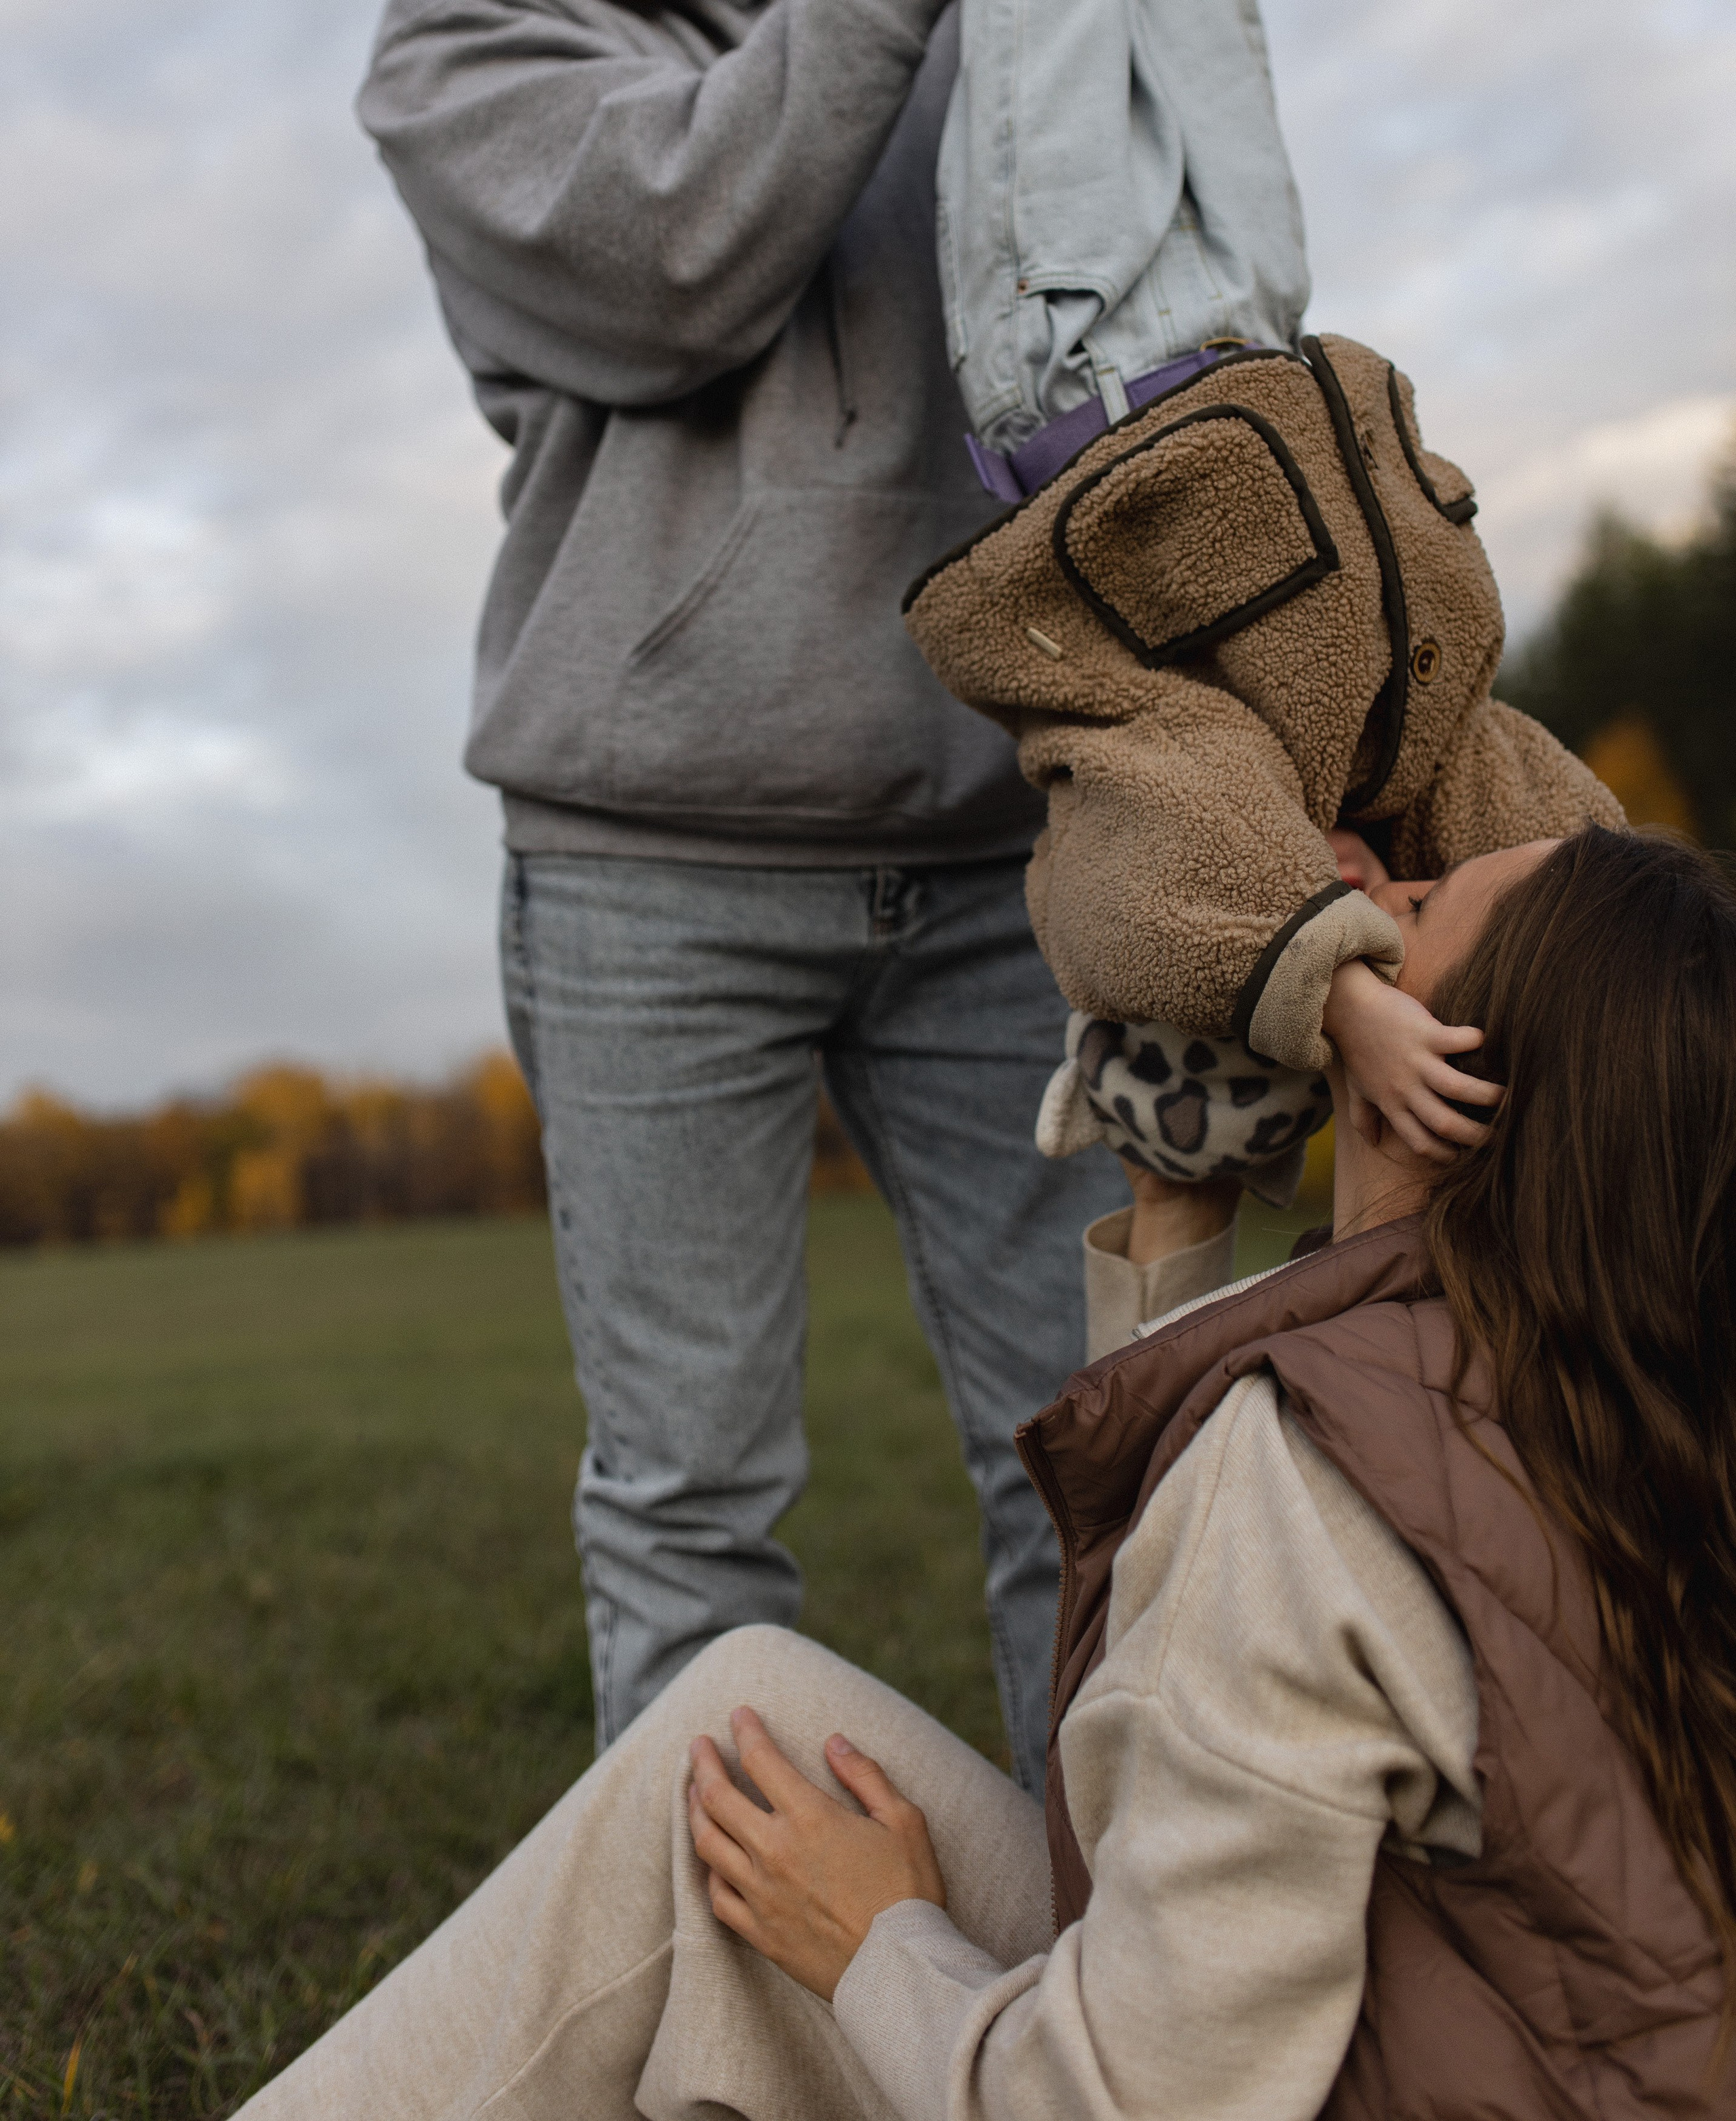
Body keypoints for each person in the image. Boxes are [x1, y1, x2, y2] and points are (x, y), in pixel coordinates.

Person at [236, 824, 1736, 2116]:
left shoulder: (1312, 1480)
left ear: (1460, 1083)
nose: (1361, 888)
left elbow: (1130, 2100)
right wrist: (1175, 1214)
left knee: (721, 1792)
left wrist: (878, 1936)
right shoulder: (1612, 1383)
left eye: (1412, 911)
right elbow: (1256, 1669)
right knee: (761, 1729)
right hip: (1479, 2050)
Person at [355, 0, 1143, 1793]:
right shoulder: (461, 49)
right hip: (646, 863)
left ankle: (1127, 2001)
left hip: (1000, 841)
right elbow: (680, 263)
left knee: (1106, 1452)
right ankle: (719, 2048)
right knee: (690, 1509)